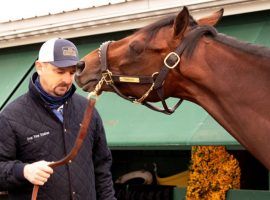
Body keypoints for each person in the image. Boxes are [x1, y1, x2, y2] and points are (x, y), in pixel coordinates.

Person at [0, 38, 116, 200]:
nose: (68, 80)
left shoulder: (88, 109)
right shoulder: (11, 116)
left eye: (71, 72)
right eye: (60, 72)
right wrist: (24, 171)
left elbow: (102, 167)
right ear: (39, 67)